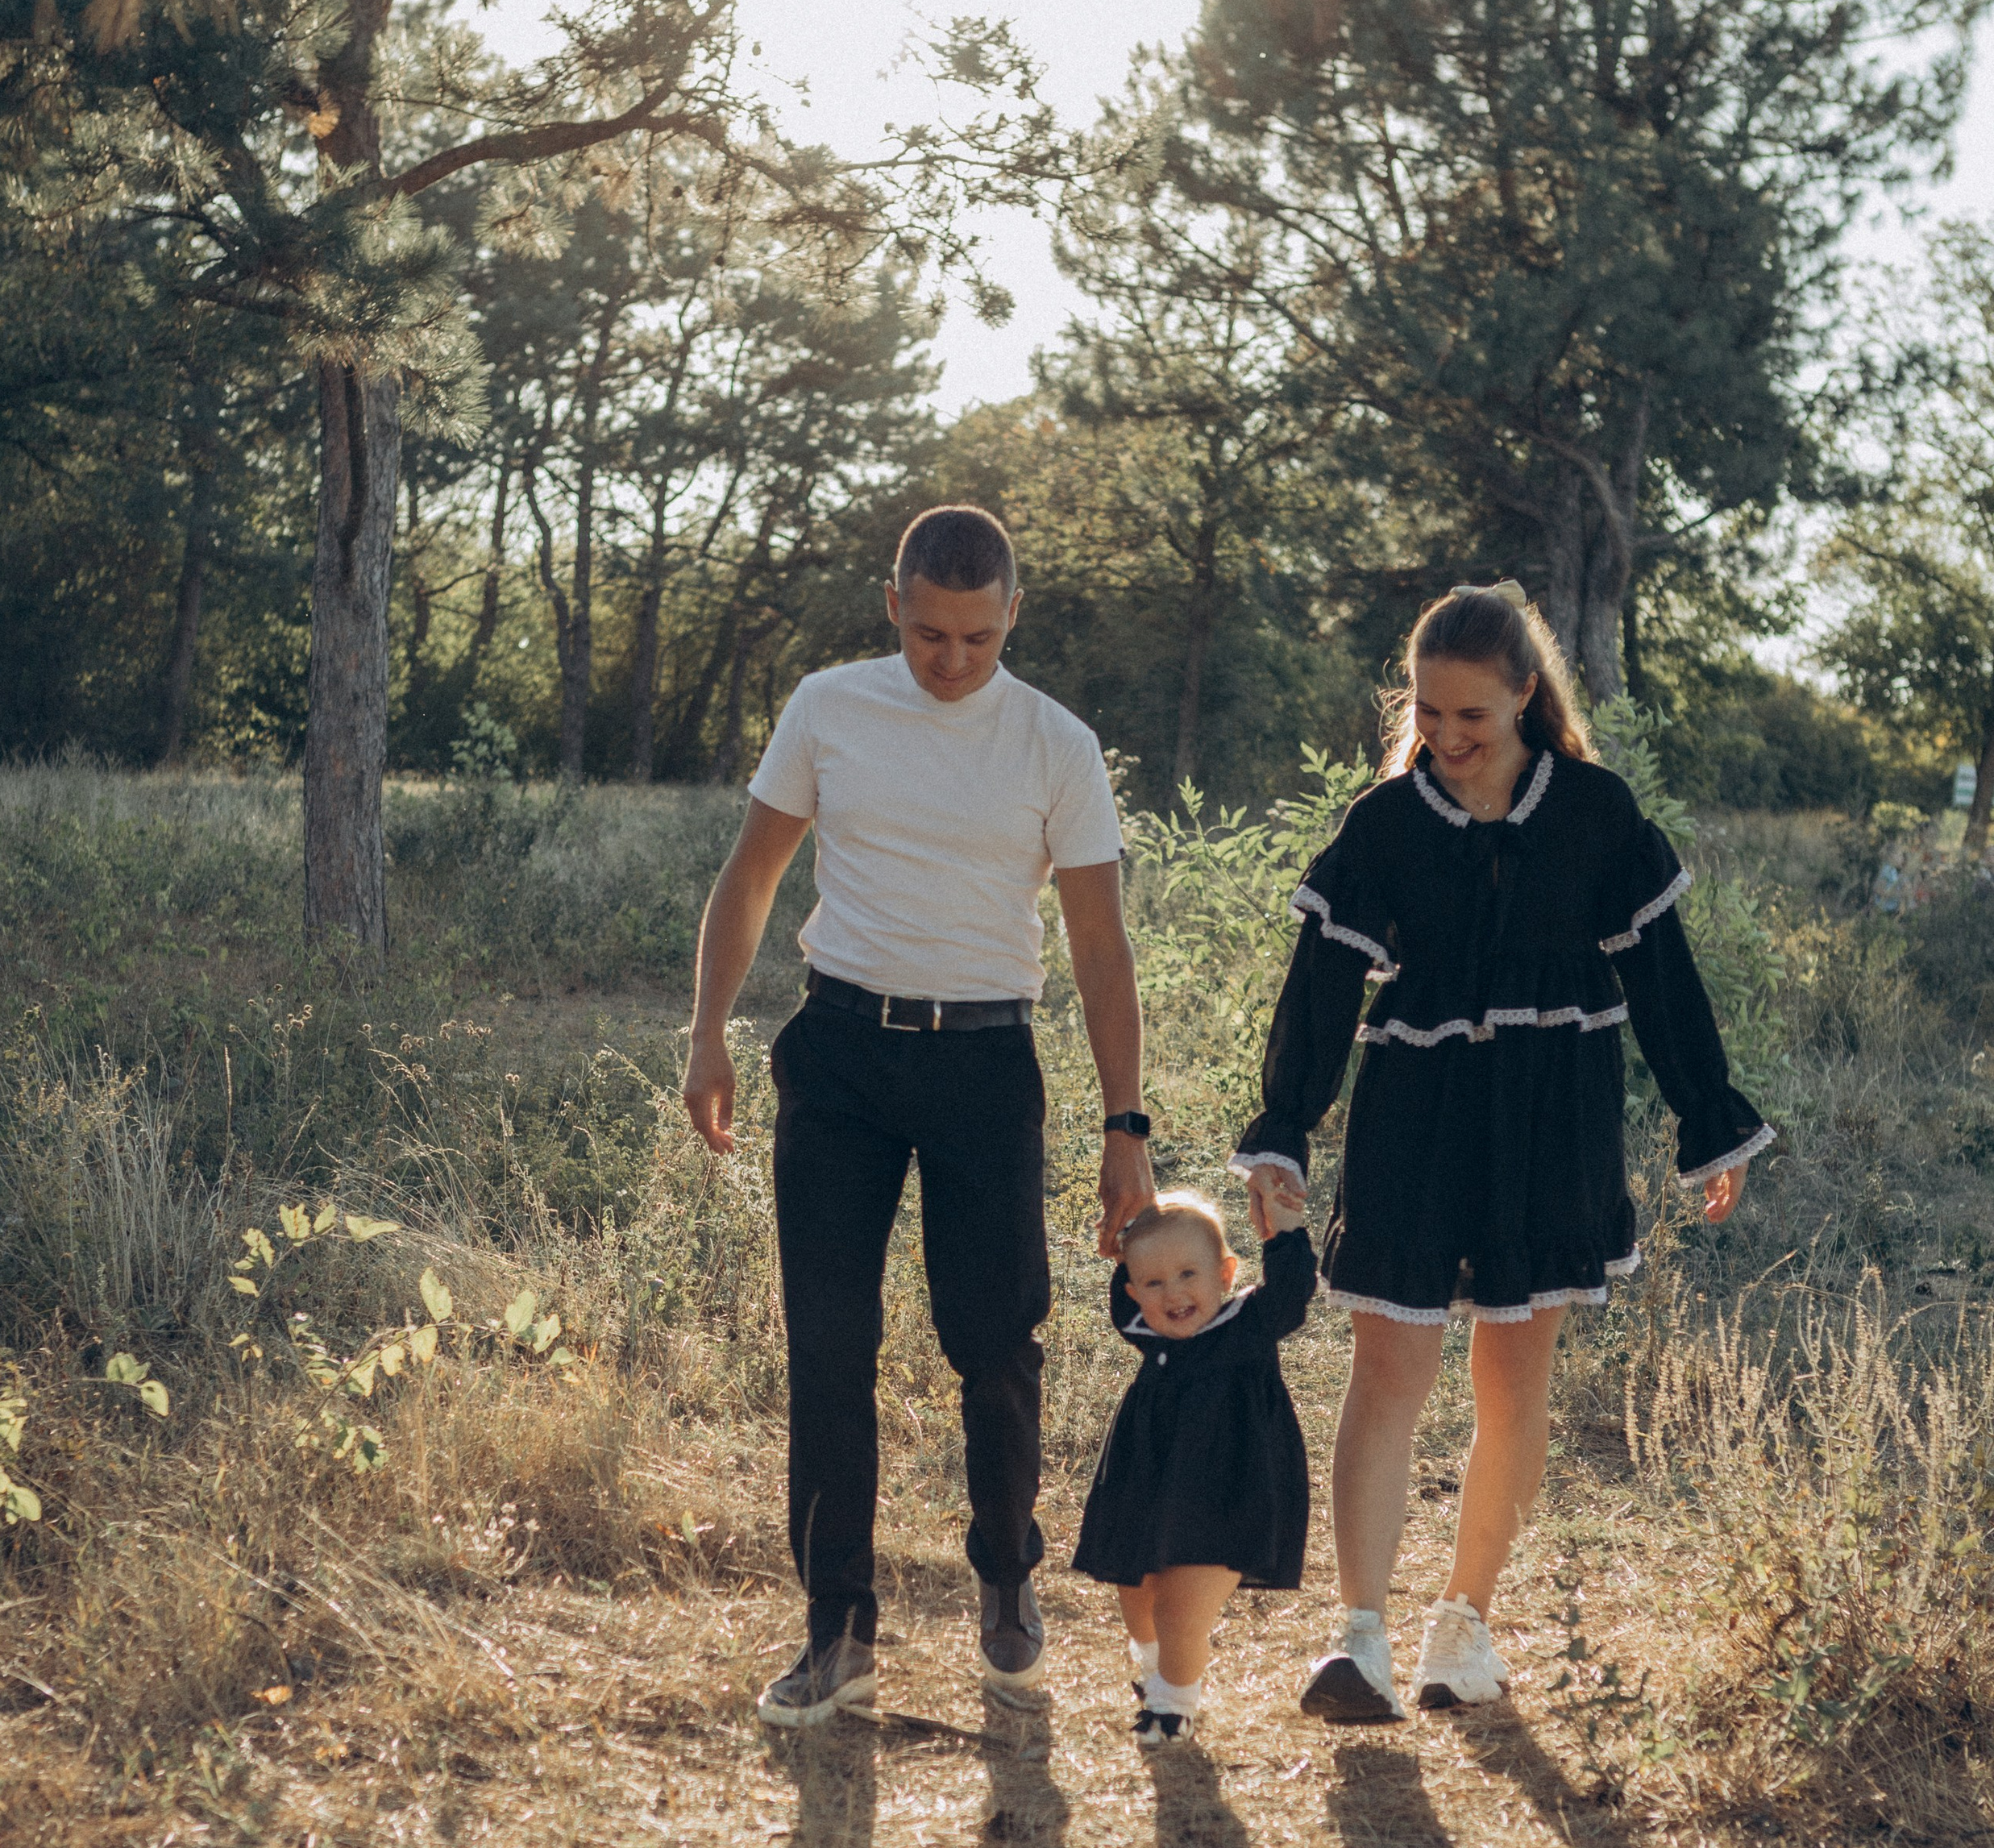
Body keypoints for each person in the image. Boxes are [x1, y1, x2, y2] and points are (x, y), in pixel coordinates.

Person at [1236, 579, 1772, 1725]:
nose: (1446, 737)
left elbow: (1664, 985)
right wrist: (1284, 1129)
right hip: (1416, 1117)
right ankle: (1360, 1640)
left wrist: (1709, 1117)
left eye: (1471, 715)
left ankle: (1461, 1627)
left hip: (1550, 1117)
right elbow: (1320, 991)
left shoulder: (1593, 813)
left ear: (1527, 694)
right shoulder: (1387, 826)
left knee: (1510, 1382)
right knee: (1388, 1372)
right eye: (1428, 713)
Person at [681, 503, 1157, 1726]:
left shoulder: (1057, 743)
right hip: (839, 1053)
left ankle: (1006, 1576)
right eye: (931, 634)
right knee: (827, 1343)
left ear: (1012, 618)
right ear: (892, 602)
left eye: (978, 641)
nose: (951, 662)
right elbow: (753, 876)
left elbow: (1099, 945)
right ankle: (836, 1628)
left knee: (993, 1340)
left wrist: (1126, 1125)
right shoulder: (829, 707)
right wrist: (707, 1033)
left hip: (985, 1063)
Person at [1072, 1186, 1315, 1744]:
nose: (1173, 1294)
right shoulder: (1144, 1331)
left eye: (1188, 1275)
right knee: (1137, 1593)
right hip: (1150, 1487)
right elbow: (1126, 1278)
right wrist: (1124, 1229)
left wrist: (1285, 1234)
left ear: (1227, 1273)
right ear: (1134, 1292)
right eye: (1153, 1284)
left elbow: (1292, 1293)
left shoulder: (1248, 1326)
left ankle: (1171, 1704)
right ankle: (1155, 1664)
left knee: (1182, 1609)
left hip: (1234, 1490)